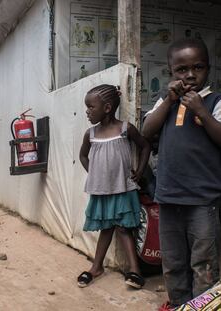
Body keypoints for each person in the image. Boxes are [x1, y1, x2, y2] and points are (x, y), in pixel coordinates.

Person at [142, 38, 221, 309]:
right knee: (173, 260)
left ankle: (202, 307)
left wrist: (200, 109)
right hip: (169, 197)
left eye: (197, 67)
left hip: (203, 200)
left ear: (208, 68)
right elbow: (146, 131)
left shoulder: (215, 101)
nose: (190, 75)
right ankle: (178, 305)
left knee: (204, 263)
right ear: (171, 71)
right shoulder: (166, 102)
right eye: (181, 70)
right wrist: (168, 99)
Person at [78, 84, 150, 289]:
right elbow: (82, 155)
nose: (87, 111)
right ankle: (96, 267)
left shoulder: (125, 129)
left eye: (91, 107)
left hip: (123, 188)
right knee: (107, 228)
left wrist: (140, 170)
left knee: (124, 228)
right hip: (102, 190)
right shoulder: (90, 134)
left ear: (107, 108)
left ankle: (135, 271)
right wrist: (94, 173)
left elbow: (145, 146)